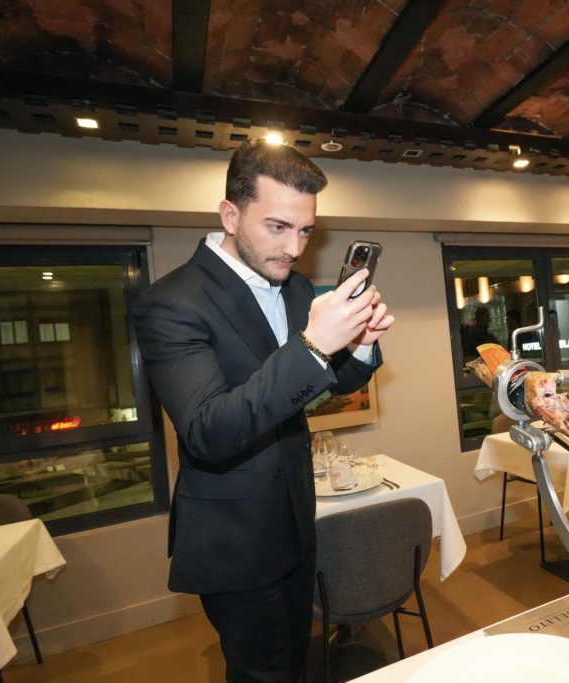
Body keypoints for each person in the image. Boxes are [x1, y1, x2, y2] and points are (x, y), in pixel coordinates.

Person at [130, 140, 394, 681]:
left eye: (305, 231)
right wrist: (314, 347)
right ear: (230, 215)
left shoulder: (297, 290)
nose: (294, 247)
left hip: (295, 519)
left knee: (296, 661)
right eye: (277, 227)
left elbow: (315, 388)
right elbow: (208, 431)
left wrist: (361, 346)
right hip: (236, 537)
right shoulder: (171, 302)